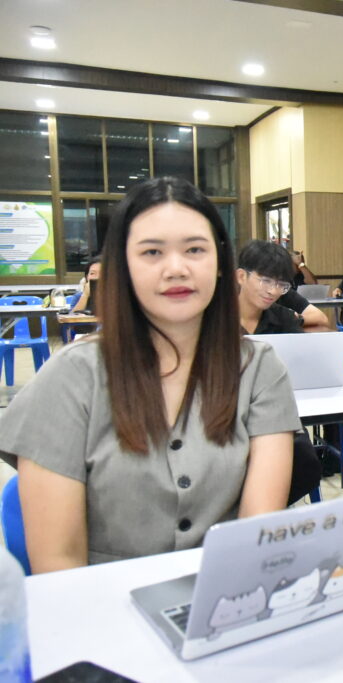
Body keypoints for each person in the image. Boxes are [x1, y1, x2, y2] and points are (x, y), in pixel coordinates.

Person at [0, 177, 299, 572]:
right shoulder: (70, 377)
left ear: (221, 265)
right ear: (122, 267)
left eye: (195, 249)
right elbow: (59, 562)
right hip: (100, 599)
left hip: (224, 590)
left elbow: (255, 537)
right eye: (152, 252)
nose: (176, 269)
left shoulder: (259, 369)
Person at [237, 240, 306, 334]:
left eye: (281, 284)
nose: (273, 291)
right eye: (266, 281)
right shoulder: (217, 317)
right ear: (241, 276)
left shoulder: (285, 319)